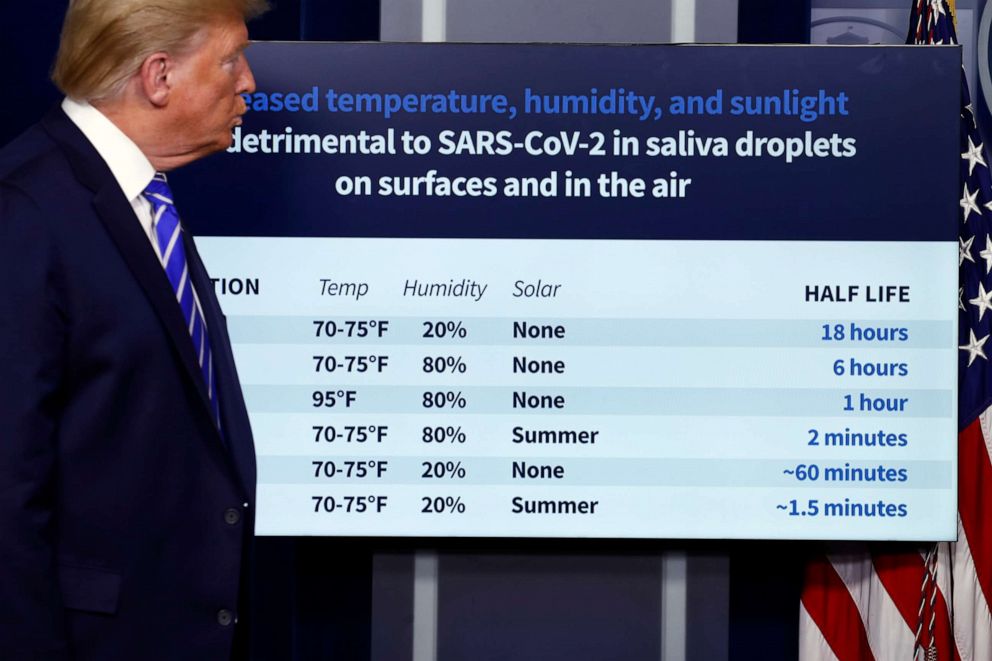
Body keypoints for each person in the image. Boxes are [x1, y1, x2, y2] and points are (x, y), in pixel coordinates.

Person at [0, 1, 268, 658]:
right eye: (231, 58)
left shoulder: (143, 199)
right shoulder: (24, 211)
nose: (249, 83)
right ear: (158, 77)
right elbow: (8, 488)